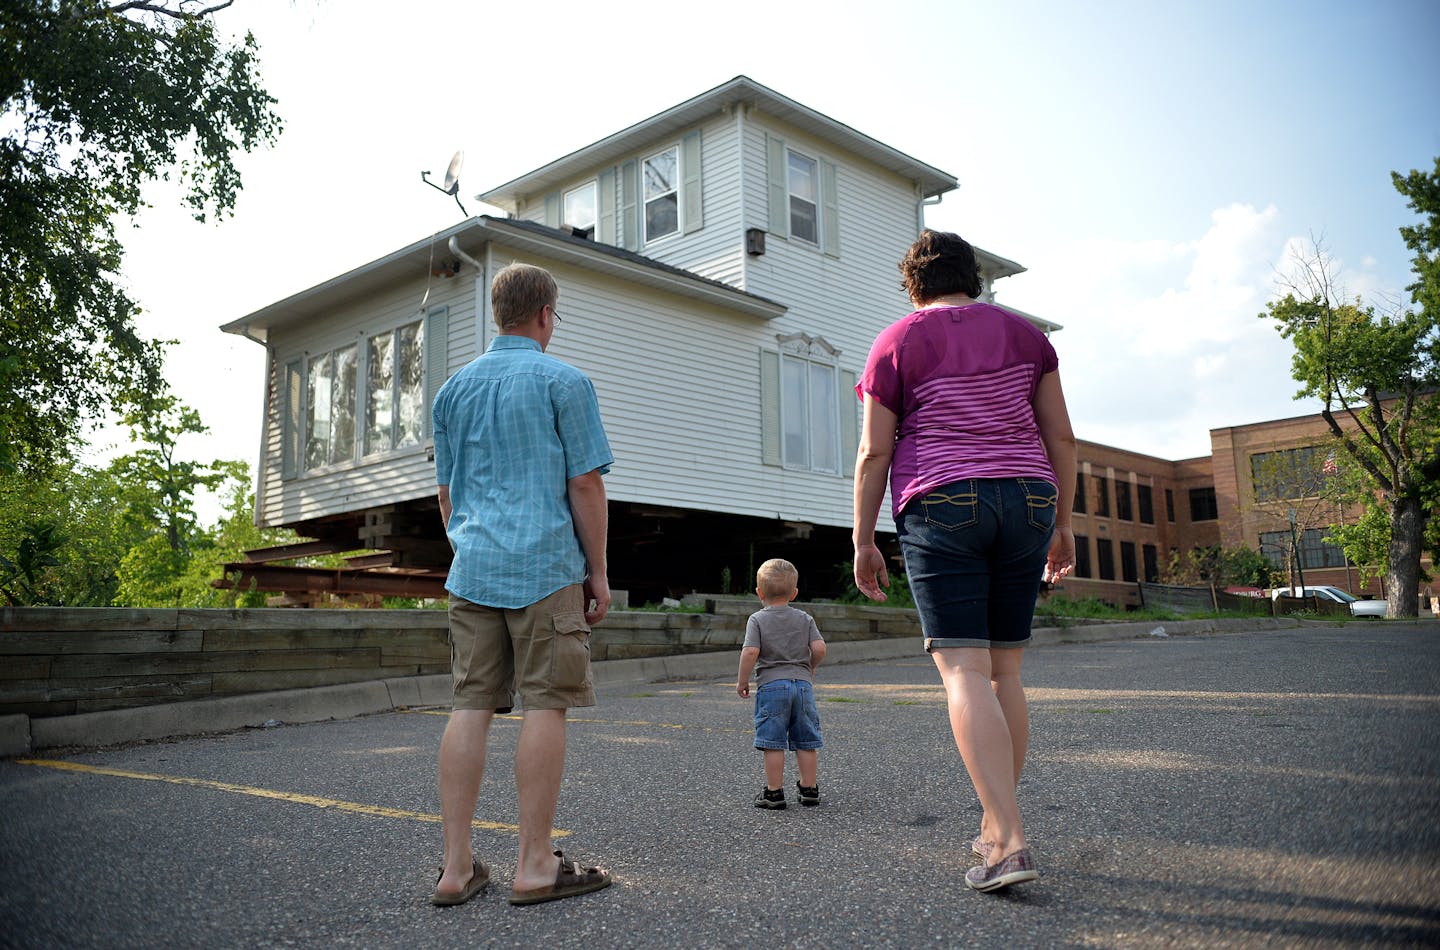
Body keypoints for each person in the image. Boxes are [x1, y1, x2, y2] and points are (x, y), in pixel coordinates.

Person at [851, 230, 1077, 893]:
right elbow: (1059, 432)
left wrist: (864, 537)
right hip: (1030, 497)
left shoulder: (896, 342)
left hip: (943, 497)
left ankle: (1007, 841)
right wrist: (1063, 520)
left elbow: (873, 453)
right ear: (971, 278)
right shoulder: (1026, 337)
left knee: (963, 670)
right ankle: (993, 825)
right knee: (1005, 671)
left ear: (912, 283)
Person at [430, 262, 614, 907]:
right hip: (544, 566)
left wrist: (472, 546)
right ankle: (535, 862)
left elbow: (447, 495)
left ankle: (456, 868)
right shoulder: (564, 381)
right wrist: (597, 570)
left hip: (474, 566)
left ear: (497, 314)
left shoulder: (452, 391)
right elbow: (585, 483)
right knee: (545, 702)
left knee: (470, 704)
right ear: (545, 315)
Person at [736, 558, 827, 809]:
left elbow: (751, 652)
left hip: (771, 686)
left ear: (759, 593)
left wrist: (743, 680)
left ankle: (774, 793)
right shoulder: (805, 618)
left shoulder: (757, 619)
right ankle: (809, 789)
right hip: (802, 685)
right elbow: (819, 648)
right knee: (807, 739)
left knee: (772, 741)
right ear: (794, 593)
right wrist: (811, 666)